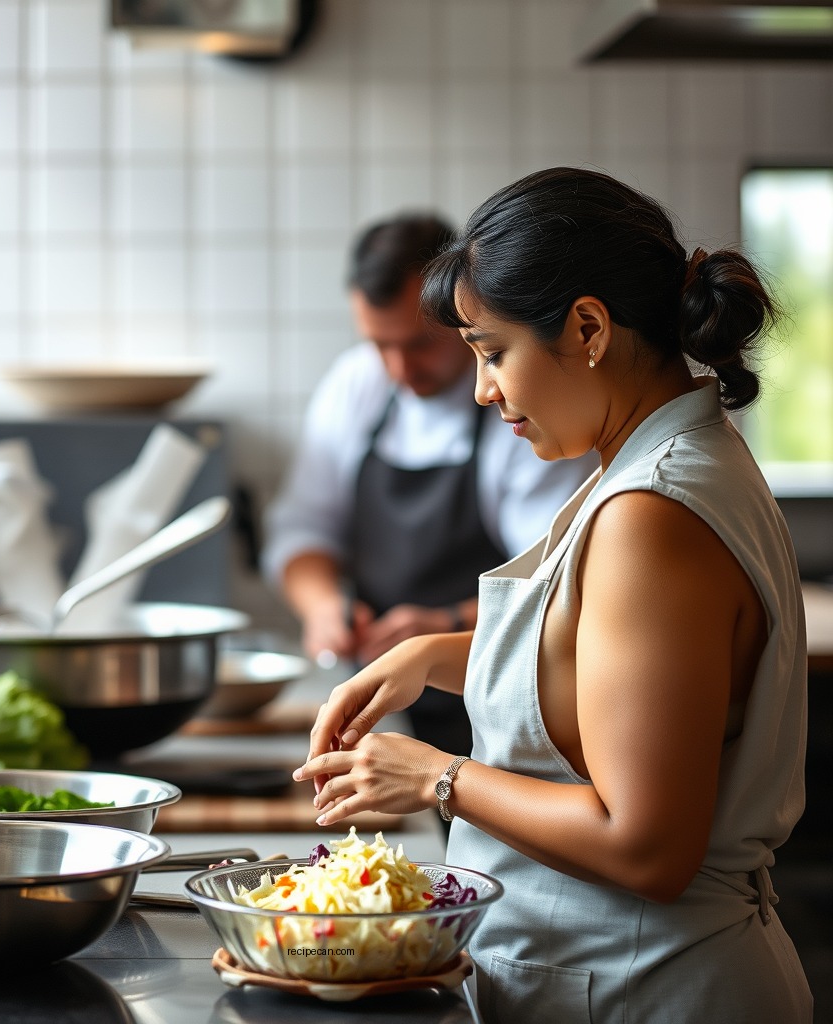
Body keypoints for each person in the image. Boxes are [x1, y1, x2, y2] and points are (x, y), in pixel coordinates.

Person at [292, 168, 812, 1023]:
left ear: (588, 327)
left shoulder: (652, 511)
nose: (483, 390)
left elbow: (644, 845)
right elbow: (606, 678)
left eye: (493, 353)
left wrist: (438, 777)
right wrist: (433, 657)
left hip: (653, 990)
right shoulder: (657, 460)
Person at [263, 212, 595, 757]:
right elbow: (302, 527)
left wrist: (441, 626)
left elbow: (552, 579)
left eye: (418, 344)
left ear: (462, 314)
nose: (398, 367)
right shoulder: (356, 385)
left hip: (494, 693)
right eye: (379, 345)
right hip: (378, 702)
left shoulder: (522, 408)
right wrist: (323, 607)